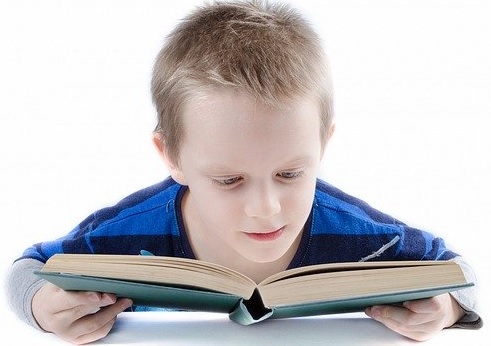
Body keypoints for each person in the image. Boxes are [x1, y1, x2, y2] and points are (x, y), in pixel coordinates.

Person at [6, 0, 482, 344]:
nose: (265, 208)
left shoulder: (367, 238)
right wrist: (42, 308)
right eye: (229, 180)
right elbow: (29, 267)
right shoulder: (127, 233)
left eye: (292, 174)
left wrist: (446, 310)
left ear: (323, 144)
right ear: (169, 155)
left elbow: (459, 275)